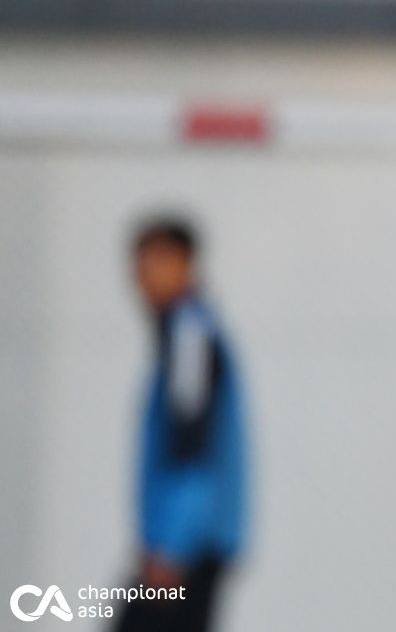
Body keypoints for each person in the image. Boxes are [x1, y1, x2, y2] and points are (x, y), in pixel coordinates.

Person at [116, 217, 248, 632]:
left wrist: (171, 546)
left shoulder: (190, 336)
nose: (142, 274)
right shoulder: (183, 332)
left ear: (186, 263)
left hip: (186, 549)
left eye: (156, 260)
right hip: (188, 544)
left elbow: (192, 446)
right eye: (139, 262)